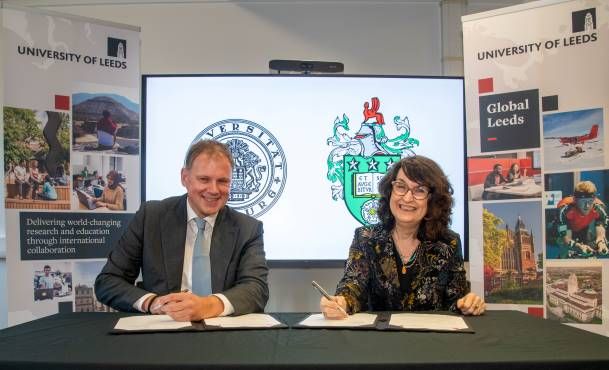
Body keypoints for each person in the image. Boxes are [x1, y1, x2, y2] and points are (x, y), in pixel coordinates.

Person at [95, 140, 269, 321]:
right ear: (185, 178)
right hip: (164, 333)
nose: (214, 190)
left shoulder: (248, 228)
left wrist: (208, 306)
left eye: (223, 181)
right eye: (204, 179)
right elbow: (108, 281)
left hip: (223, 336)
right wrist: (152, 303)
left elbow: (256, 289)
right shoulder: (151, 217)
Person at [321, 155, 485, 319]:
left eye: (419, 190)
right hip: (378, 338)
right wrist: (341, 302)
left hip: (429, 340)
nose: (407, 198)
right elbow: (353, 284)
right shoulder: (365, 237)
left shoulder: (449, 242)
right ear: (390, 191)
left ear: (432, 199)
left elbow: (456, 300)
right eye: (401, 186)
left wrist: (468, 303)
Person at [556, 181, 608, 257]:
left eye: (590, 201)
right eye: (583, 201)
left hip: (582, 228)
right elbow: (566, 240)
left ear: (595, 199)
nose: (587, 206)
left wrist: (601, 243)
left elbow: (600, 234)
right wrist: (578, 246)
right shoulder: (565, 210)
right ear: (575, 200)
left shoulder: (599, 208)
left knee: (589, 250)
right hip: (564, 227)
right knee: (564, 248)